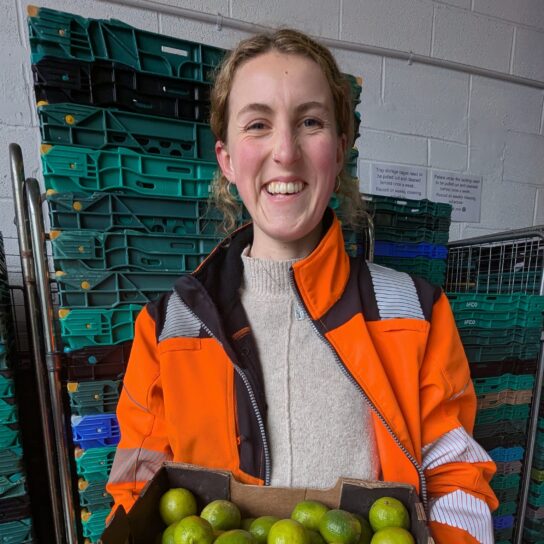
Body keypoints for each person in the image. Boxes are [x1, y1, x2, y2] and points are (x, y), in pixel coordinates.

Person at [106, 28, 498, 543]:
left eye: (310, 122)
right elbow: (137, 492)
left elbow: (456, 481)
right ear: (227, 159)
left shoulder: (414, 312)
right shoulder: (167, 328)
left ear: (339, 150)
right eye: (258, 124)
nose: (285, 152)